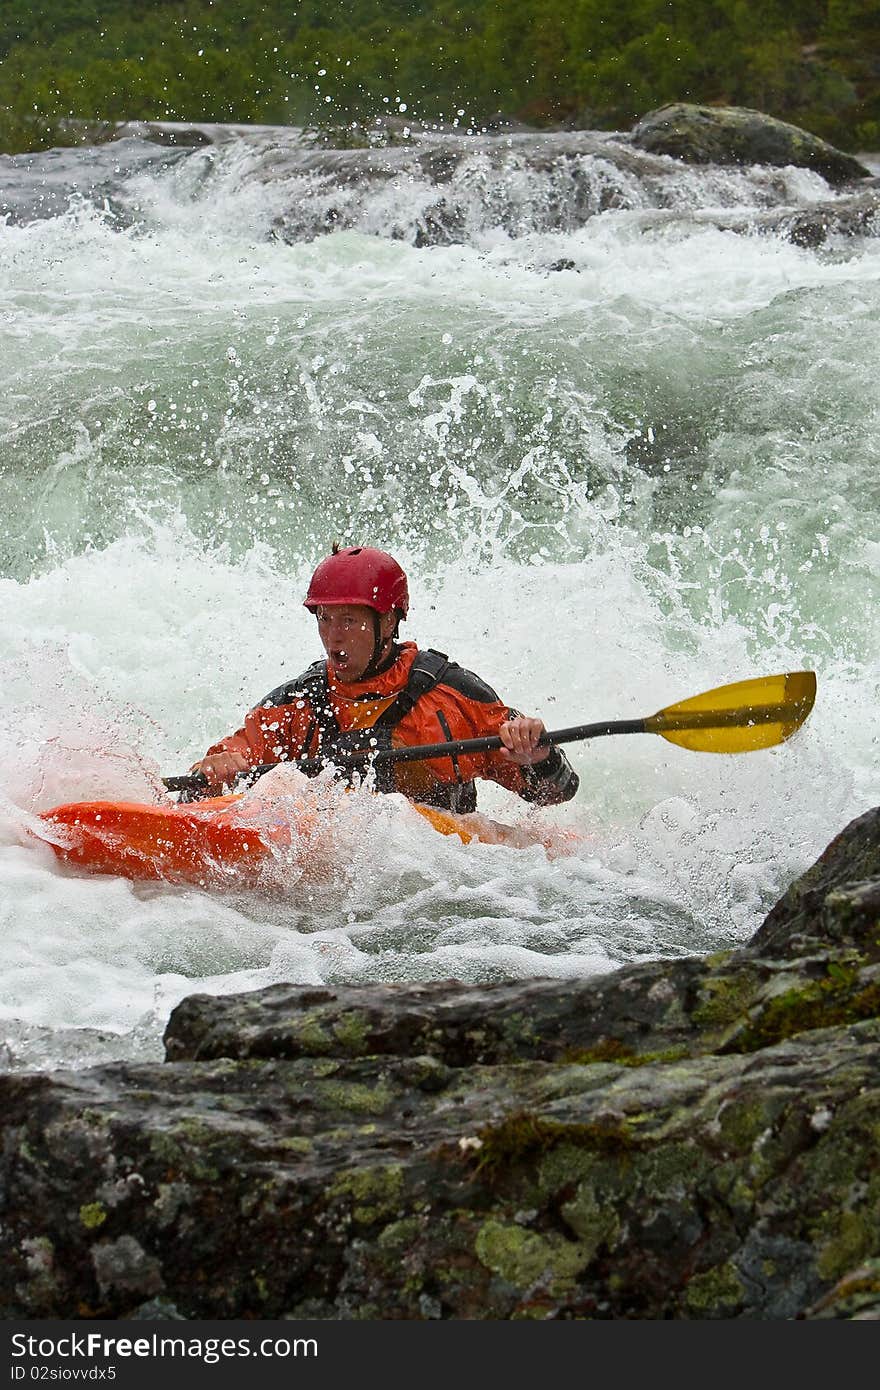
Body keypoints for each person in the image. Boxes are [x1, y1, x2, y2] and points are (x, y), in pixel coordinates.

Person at [191, 545, 579, 813]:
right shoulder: (298, 701)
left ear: (388, 621)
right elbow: (236, 758)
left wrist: (538, 757)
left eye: (349, 620)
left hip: (438, 873)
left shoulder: (454, 695)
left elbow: (557, 793)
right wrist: (218, 767)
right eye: (324, 619)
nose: (333, 636)